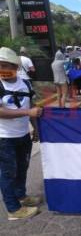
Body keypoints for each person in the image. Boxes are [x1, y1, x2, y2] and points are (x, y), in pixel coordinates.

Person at [0, 47, 43, 220]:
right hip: (4, 138)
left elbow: (30, 106)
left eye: (6, 66)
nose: (2, 69)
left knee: (23, 168)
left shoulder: (25, 83)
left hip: (22, 135)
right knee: (8, 172)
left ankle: (21, 196)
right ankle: (13, 209)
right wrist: (27, 114)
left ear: (16, 66)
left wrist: (35, 128)